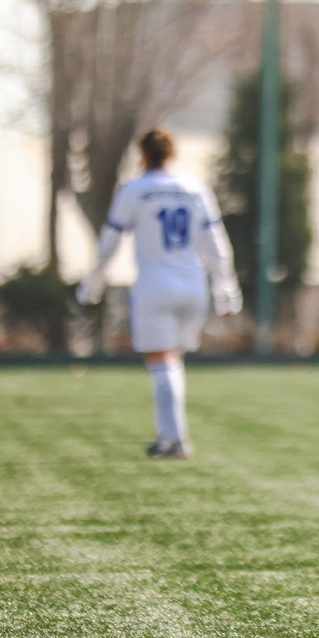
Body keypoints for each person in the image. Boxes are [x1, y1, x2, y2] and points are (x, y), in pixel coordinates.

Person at [75, 129, 242, 458]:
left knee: (161, 362)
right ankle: (168, 438)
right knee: (173, 361)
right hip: (193, 285)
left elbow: (110, 242)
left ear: (142, 155)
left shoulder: (135, 189)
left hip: (154, 286)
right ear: (171, 153)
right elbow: (217, 244)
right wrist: (226, 292)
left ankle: (175, 440)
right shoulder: (194, 188)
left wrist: (92, 285)